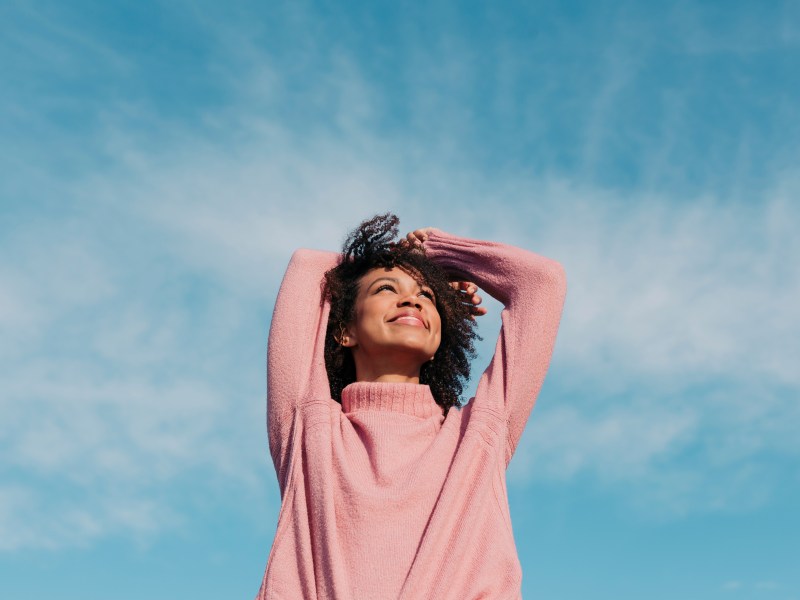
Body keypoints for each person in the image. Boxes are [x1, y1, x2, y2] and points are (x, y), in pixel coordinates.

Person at [256, 214, 566, 600]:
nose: (411, 299)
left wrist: (438, 253)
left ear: (441, 329)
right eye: (386, 288)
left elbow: (541, 282)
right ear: (344, 330)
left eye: (427, 296)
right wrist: (393, 259)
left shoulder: (477, 435)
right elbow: (308, 265)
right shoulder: (308, 426)